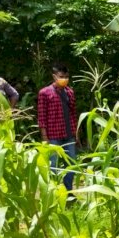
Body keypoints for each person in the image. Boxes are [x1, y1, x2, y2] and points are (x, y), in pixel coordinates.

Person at [38, 63, 77, 191]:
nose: (64, 79)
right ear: (54, 76)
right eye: (61, 76)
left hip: (69, 134)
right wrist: (44, 136)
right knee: (53, 165)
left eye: (66, 76)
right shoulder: (45, 93)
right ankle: (53, 192)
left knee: (71, 164)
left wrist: (76, 132)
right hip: (53, 136)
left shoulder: (70, 92)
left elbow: (73, 114)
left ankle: (68, 190)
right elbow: (42, 115)